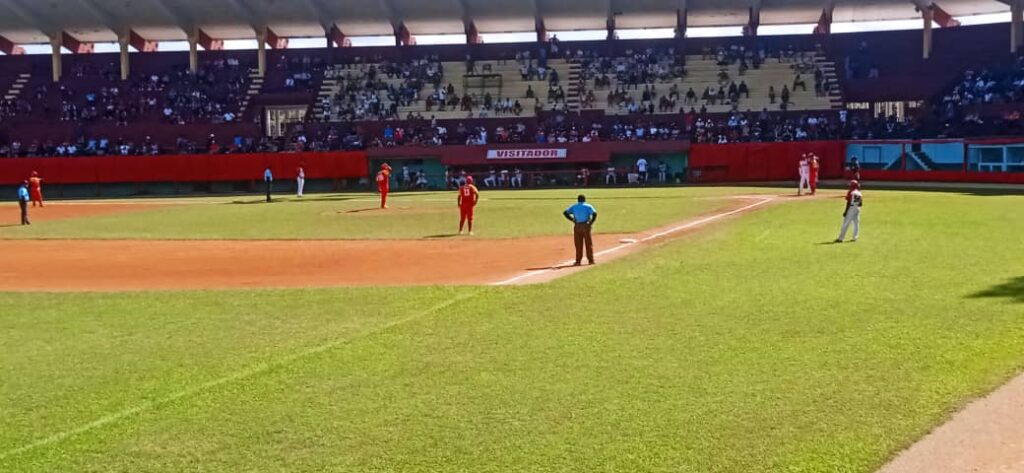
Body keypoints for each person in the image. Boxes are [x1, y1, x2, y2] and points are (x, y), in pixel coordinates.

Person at [563, 194, 597, 266]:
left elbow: (565, 213)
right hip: (586, 225)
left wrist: (572, 219)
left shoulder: (574, 206)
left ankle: (578, 261)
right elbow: (594, 213)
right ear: (584, 199)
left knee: (578, 244)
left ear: (578, 200)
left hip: (577, 226)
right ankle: (590, 260)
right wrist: (591, 222)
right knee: (588, 243)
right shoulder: (588, 206)